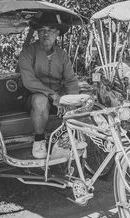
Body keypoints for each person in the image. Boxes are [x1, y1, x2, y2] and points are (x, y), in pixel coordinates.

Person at [19, 12, 79, 159]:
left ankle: (67, 138)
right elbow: (29, 81)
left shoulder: (62, 54)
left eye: (51, 30)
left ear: (57, 33)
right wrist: (52, 95)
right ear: (38, 33)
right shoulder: (28, 52)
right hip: (33, 97)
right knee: (41, 100)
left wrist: (71, 99)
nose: (46, 34)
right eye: (42, 30)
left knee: (82, 100)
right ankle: (39, 141)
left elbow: (71, 80)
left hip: (58, 96)